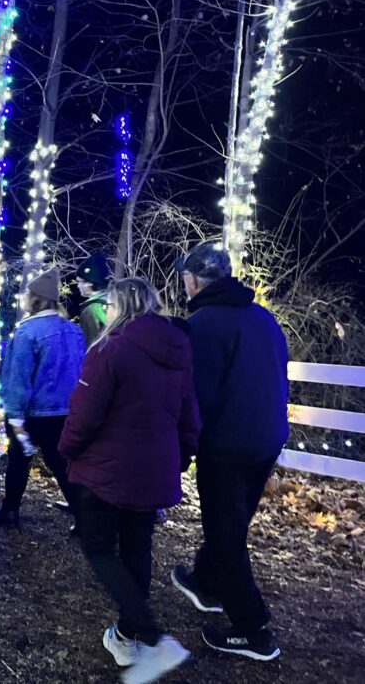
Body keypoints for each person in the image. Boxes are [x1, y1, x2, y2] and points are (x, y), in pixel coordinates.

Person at [60, 277, 201, 684]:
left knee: (99, 546)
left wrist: (67, 447)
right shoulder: (179, 352)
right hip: (154, 466)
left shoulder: (110, 349)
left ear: (120, 306)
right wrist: (181, 458)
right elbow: (190, 414)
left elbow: (84, 414)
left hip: (106, 468)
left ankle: (154, 637)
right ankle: (127, 635)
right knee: (137, 547)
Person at [170, 242, 288, 662]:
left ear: (192, 280)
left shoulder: (202, 325)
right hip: (266, 441)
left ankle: (253, 629)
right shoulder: (264, 319)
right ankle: (206, 581)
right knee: (231, 524)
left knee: (225, 531)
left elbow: (195, 395)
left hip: (227, 446)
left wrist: (182, 449)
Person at [0, 267, 85, 529]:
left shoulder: (27, 333)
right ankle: (85, 517)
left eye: (27, 293)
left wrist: (15, 414)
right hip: (64, 411)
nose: (23, 298)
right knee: (62, 464)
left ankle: (10, 510)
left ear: (36, 298)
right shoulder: (72, 331)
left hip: (33, 413)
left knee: (19, 461)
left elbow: (18, 376)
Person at [75, 252, 111, 347]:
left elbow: (91, 344)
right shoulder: (116, 300)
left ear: (90, 283)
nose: (78, 286)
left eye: (80, 282)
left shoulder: (91, 308)